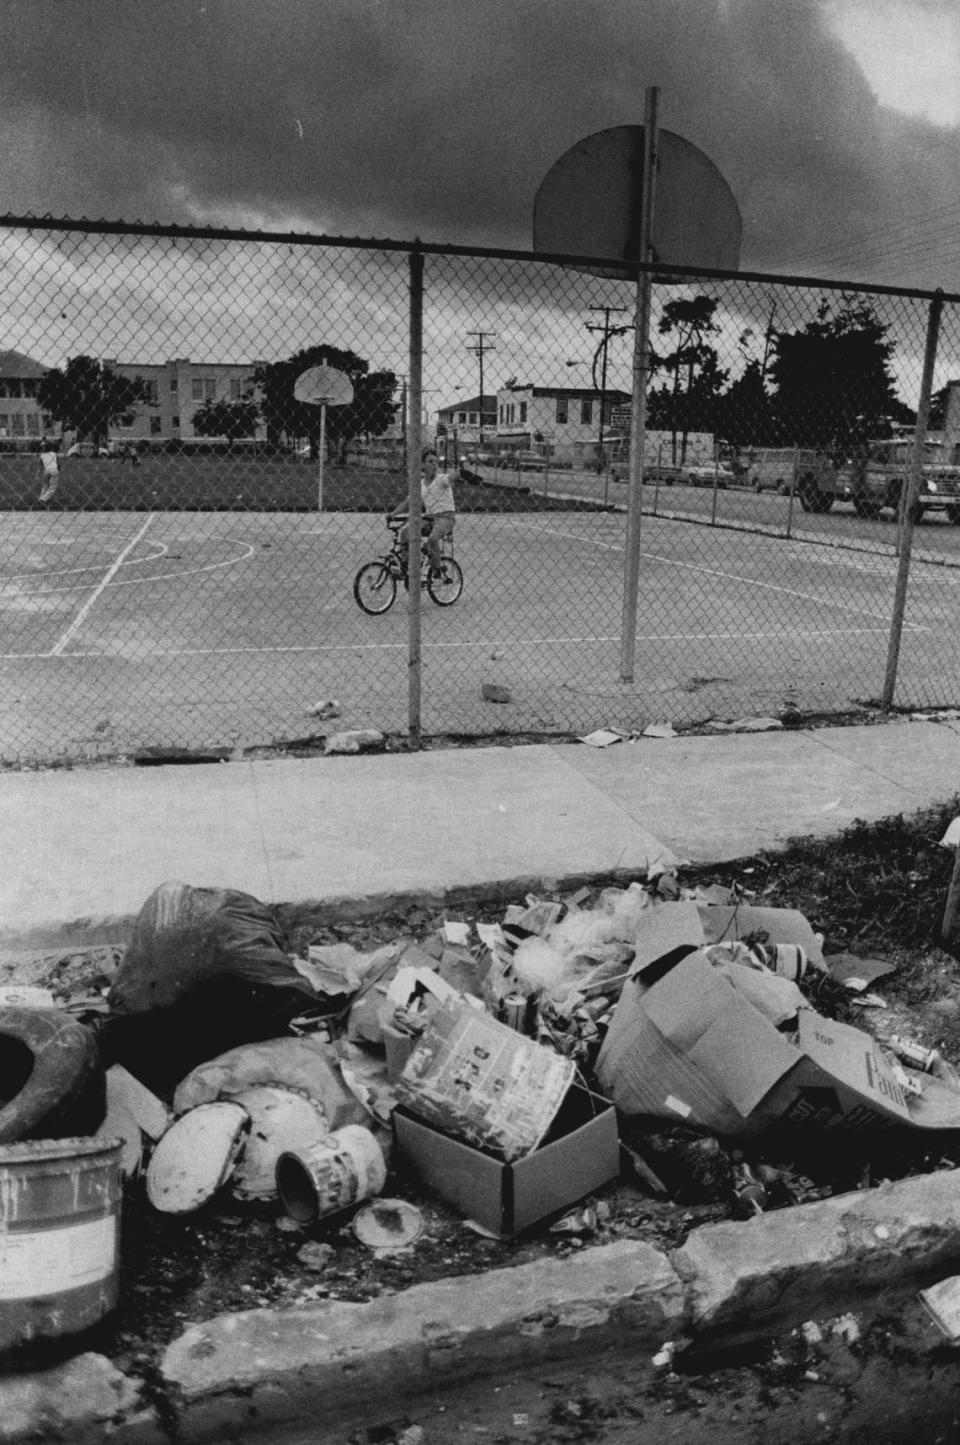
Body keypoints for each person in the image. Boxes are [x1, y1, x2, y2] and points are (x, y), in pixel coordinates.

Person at [395, 448, 456, 575]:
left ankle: (437, 569)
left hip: (445, 517)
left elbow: (451, 477)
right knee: (405, 533)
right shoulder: (421, 484)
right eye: (430, 462)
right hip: (429, 518)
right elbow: (408, 502)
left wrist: (460, 473)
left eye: (436, 462)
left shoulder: (441, 479)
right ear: (422, 465)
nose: (434, 464)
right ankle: (406, 567)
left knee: (433, 539)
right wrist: (393, 513)